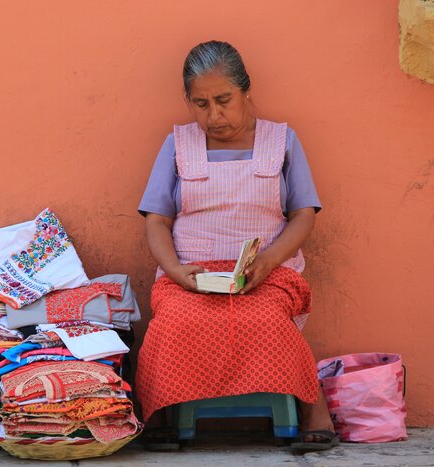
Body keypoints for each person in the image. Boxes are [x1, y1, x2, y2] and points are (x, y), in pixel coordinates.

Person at [135, 40, 338, 452]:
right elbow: (157, 220)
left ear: (246, 91)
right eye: (201, 103)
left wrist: (268, 261)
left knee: (267, 321)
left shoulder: (281, 140)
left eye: (224, 100)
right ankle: (158, 412)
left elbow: (303, 214)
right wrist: (175, 271)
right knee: (173, 323)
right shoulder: (177, 144)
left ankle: (310, 408)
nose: (215, 115)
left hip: (266, 273)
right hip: (191, 275)